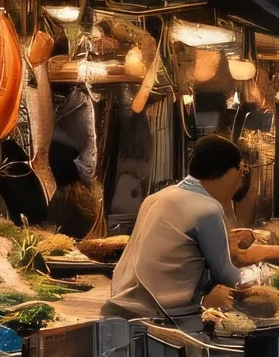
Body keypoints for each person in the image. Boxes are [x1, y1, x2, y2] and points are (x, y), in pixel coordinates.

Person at [102, 135, 251, 334]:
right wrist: (262, 279)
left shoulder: (156, 198)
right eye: (240, 171)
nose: (240, 179)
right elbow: (224, 273)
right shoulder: (207, 209)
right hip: (161, 319)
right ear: (231, 173)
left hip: (120, 307)